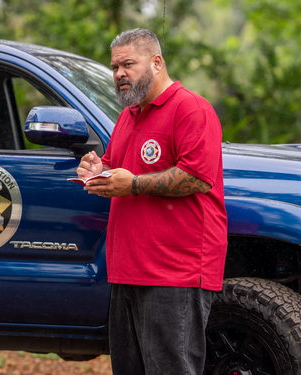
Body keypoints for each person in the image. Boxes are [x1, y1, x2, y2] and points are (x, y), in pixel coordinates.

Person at [76, 28, 228, 375]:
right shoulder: (129, 116)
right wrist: (96, 168)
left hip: (175, 271)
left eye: (128, 64)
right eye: (115, 67)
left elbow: (197, 177)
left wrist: (134, 185)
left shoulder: (191, 109)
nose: (119, 75)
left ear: (156, 62)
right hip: (128, 269)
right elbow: (117, 166)